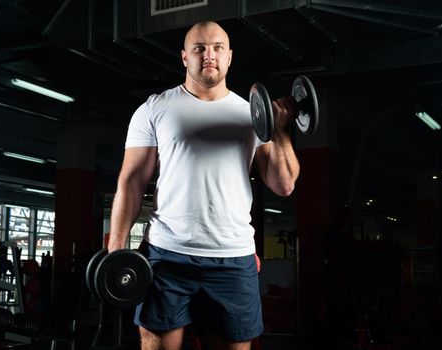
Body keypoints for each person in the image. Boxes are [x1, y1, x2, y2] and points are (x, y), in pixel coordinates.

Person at [108, 20, 300, 350]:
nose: (208, 55)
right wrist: (116, 249)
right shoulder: (155, 108)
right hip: (166, 255)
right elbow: (132, 181)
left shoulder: (252, 116)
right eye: (199, 48)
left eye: (216, 48)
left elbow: (283, 186)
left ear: (229, 57)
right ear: (185, 57)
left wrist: (279, 129)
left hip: (233, 257)